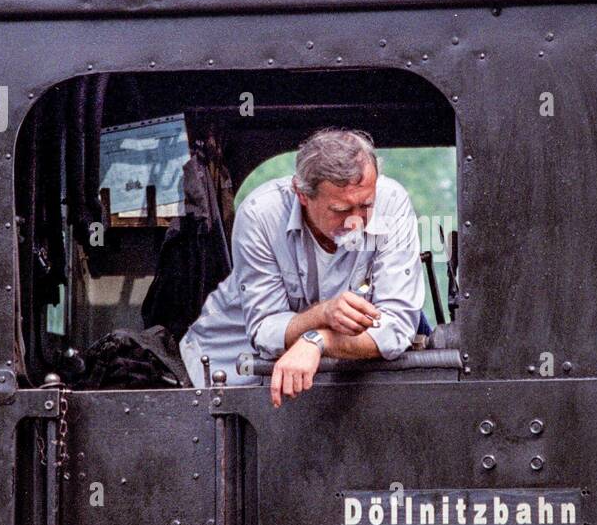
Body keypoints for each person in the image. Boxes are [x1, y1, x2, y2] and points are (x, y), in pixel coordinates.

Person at [180, 128, 424, 406]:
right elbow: (265, 331)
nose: (357, 220)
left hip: (327, 381)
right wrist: (324, 313)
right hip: (225, 377)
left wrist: (317, 340)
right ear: (302, 194)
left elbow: (396, 328)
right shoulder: (261, 214)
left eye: (366, 205)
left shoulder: (392, 203)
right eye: (341, 210)